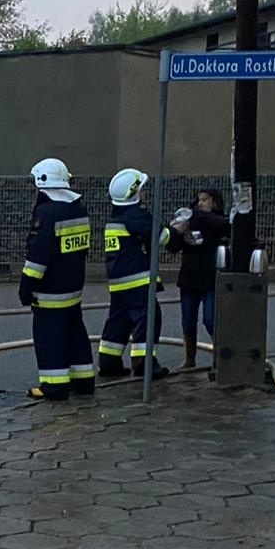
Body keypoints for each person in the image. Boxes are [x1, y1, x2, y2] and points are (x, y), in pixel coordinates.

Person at [18, 158, 95, 400]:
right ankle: (84, 381)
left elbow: (39, 254)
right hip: (73, 288)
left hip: (50, 291)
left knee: (49, 338)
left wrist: (26, 285)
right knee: (76, 335)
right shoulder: (78, 208)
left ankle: (55, 385)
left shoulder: (46, 213)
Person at [97, 168, 171, 380]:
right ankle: (144, 364)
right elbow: (161, 236)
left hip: (119, 283)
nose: (146, 194)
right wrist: (178, 229)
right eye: (142, 190)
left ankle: (108, 362)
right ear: (133, 194)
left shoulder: (116, 217)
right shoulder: (136, 216)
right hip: (138, 281)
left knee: (118, 321)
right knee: (148, 319)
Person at [166, 188, 231, 368]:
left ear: (215, 202)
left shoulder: (217, 221)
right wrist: (179, 234)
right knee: (188, 320)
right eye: (199, 199)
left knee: (210, 319)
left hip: (211, 279)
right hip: (189, 278)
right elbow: (171, 246)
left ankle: (222, 356)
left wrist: (195, 216)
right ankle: (189, 359)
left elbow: (225, 227)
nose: (201, 203)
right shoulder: (189, 221)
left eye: (205, 199)